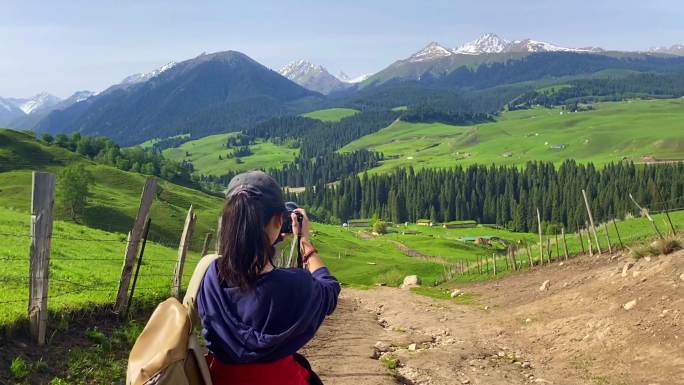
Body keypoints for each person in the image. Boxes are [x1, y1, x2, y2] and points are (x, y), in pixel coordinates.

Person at [197, 171, 341, 385]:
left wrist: (264, 242)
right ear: (277, 220)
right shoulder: (295, 286)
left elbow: (248, 273)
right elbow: (329, 289)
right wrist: (304, 242)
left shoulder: (211, 277)